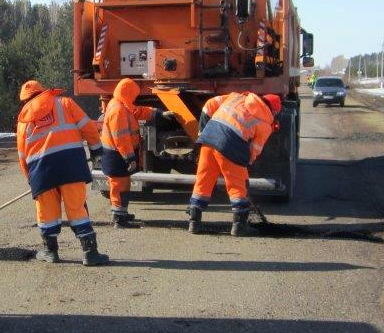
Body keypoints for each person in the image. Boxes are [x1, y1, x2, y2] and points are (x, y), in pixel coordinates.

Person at [16, 79, 109, 266]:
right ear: (43, 91)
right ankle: (90, 253)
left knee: (47, 213)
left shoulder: (23, 120)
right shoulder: (65, 103)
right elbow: (88, 127)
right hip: (71, 164)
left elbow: (22, 155)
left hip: (41, 171)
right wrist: (96, 150)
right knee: (77, 209)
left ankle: (50, 252)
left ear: (25, 99)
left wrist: (31, 178)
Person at [187, 92, 282, 237]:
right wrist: (244, 165)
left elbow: (209, 105)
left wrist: (203, 132)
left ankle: (194, 222)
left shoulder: (236, 97)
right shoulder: (265, 123)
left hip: (208, 138)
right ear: (274, 112)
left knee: (203, 181)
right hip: (231, 146)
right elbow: (254, 149)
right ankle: (239, 226)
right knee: (238, 186)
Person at [100, 78, 167, 227]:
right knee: (118, 186)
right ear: (128, 93)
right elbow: (121, 139)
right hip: (117, 155)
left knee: (123, 185)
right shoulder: (118, 110)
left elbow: (137, 111)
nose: (134, 98)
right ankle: (119, 218)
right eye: (133, 95)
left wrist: (158, 113)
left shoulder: (120, 104)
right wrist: (130, 158)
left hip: (118, 155)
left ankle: (121, 213)